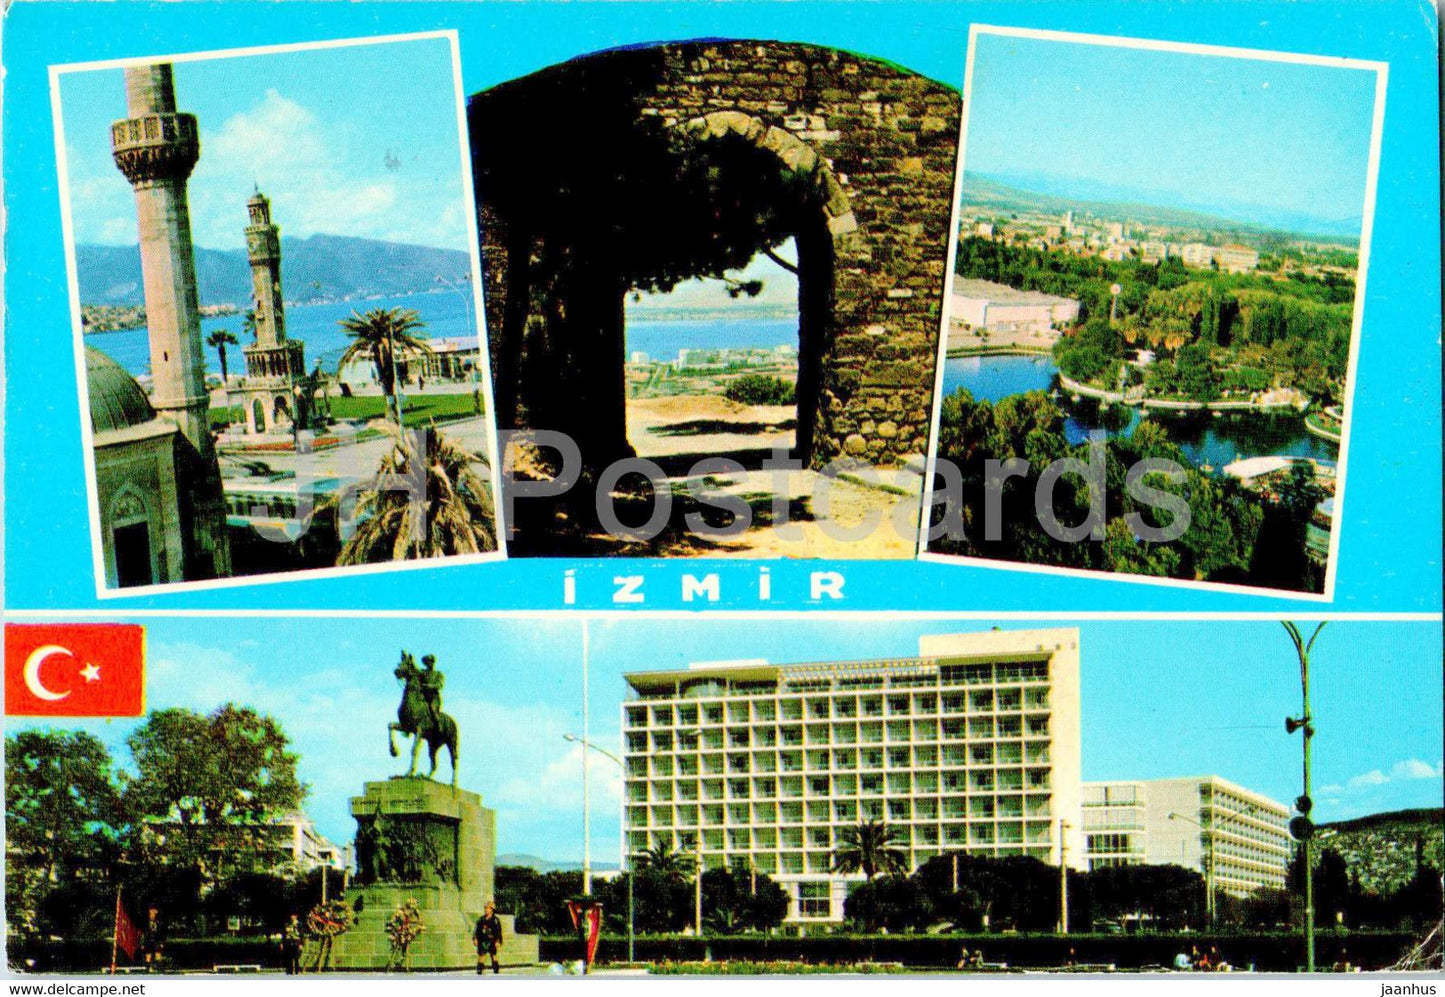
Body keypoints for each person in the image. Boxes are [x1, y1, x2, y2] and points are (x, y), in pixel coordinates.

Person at [475, 901, 503, 975]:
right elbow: (477, 930)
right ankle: (479, 970)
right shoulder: (481, 919)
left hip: (492, 940)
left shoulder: (495, 920)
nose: (486, 910)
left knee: (493, 955)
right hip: (483, 940)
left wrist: (498, 941)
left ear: (491, 909)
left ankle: (496, 970)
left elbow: (498, 931)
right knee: (481, 955)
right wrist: (476, 938)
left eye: (487, 908)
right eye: (485, 908)